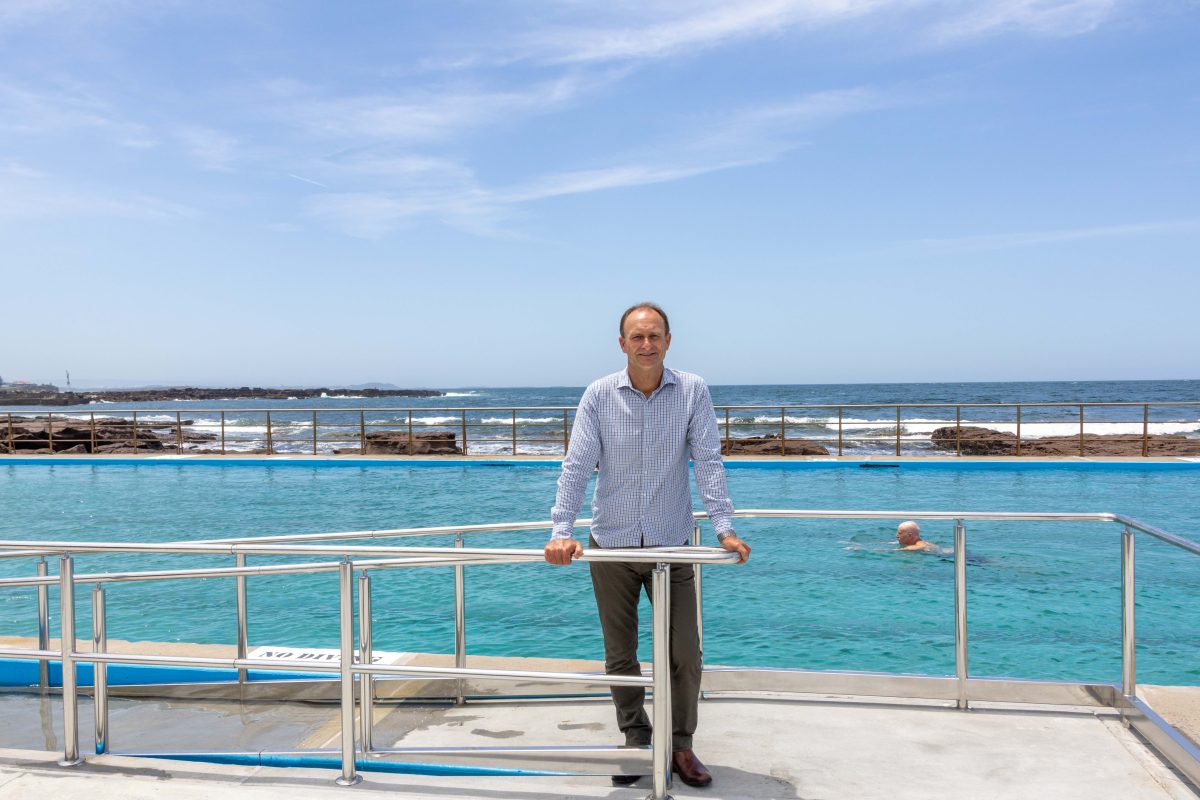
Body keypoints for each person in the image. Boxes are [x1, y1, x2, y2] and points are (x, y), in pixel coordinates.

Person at [544, 302, 751, 789]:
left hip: (670, 545)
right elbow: (576, 467)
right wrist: (561, 531)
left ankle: (681, 745)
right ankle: (637, 740)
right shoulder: (597, 395)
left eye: (654, 335)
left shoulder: (693, 391)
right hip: (611, 544)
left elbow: (709, 461)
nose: (646, 344)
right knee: (621, 654)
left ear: (668, 340)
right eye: (636, 337)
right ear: (622, 344)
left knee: (685, 652)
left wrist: (723, 527)